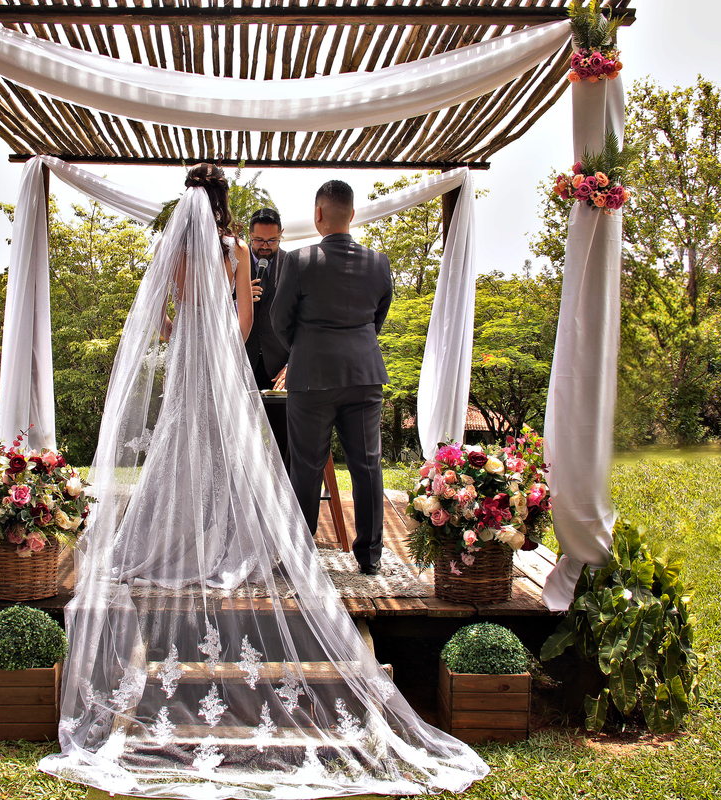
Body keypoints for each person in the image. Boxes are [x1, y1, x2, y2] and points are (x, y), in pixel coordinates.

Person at [37, 164, 487, 799]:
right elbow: (250, 322)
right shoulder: (243, 251)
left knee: (188, 452)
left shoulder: (183, 245)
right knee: (292, 462)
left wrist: (192, 341)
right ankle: (342, 549)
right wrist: (229, 355)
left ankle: (185, 539)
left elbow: (171, 317)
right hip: (284, 364)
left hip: (218, 366)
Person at [271, 179, 392, 576]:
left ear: (318, 214)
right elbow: (377, 317)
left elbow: (278, 320)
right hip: (364, 375)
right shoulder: (379, 262)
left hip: (311, 378)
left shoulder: (300, 260)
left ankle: (301, 559)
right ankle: (370, 557)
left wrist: (304, 348)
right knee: (367, 464)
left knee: (305, 466)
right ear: (352, 214)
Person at [244, 207, 291, 464]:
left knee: (283, 441)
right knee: (240, 439)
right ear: (249, 234)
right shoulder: (233, 265)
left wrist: (291, 364)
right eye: (259, 240)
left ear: (281, 234)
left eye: (272, 240)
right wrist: (238, 300)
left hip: (280, 370)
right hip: (241, 365)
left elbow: (302, 320)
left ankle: (281, 501)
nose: (265, 246)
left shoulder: (293, 264)